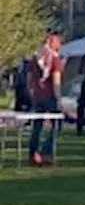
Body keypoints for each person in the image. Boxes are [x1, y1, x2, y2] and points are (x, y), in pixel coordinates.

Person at [27, 31, 64, 166]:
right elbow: (56, 81)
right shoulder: (54, 59)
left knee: (37, 125)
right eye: (58, 42)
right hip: (49, 95)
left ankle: (32, 153)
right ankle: (45, 152)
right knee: (57, 125)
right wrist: (58, 98)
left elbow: (29, 79)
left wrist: (31, 92)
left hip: (37, 95)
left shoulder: (36, 58)